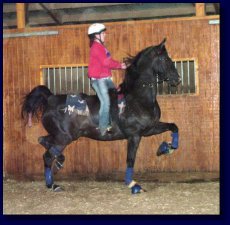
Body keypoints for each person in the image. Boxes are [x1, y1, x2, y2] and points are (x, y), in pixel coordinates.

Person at [88, 23, 127, 136]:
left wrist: (120, 65)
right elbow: (106, 62)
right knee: (106, 102)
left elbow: (107, 63)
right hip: (99, 80)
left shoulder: (101, 47)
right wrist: (121, 65)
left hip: (105, 78)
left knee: (118, 96)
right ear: (96, 35)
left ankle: (113, 122)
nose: (105, 35)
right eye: (103, 33)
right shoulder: (96, 47)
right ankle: (103, 128)